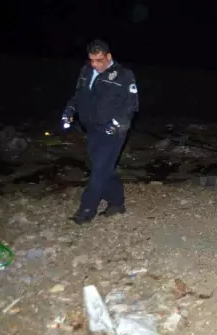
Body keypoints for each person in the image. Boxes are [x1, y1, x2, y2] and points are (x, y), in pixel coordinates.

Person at [61, 39, 139, 225]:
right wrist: (69, 110)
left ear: (108, 56)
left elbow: (131, 106)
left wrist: (117, 123)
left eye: (99, 60)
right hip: (92, 128)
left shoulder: (124, 75)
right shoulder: (86, 71)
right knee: (103, 168)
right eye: (92, 60)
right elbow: (78, 95)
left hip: (113, 130)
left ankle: (85, 211)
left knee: (99, 171)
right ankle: (117, 203)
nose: (95, 65)